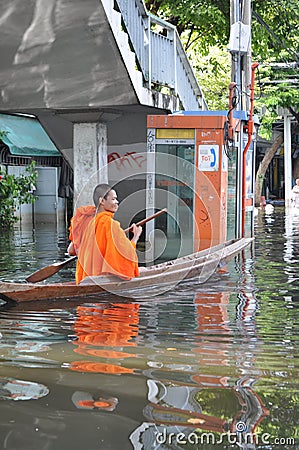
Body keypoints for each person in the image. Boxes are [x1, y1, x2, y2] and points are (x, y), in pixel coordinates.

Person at [69, 183, 142, 284]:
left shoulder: (88, 222)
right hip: (100, 281)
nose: (117, 202)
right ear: (102, 201)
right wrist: (136, 236)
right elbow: (126, 255)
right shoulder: (111, 225)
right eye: (113, 199)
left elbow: (71, 250)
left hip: (84, 279)